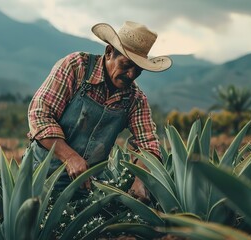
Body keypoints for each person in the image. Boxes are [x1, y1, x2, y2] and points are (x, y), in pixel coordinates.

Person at [25, 21, 172, 203]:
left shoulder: (135, 99)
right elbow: (39, 115)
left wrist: (140, 181)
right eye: (126, 65)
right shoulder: (76, 67)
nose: (131, 75)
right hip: (39, 179)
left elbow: (148, 144)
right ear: (109, 52)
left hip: (87, 189)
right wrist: (70, 157)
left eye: (138, 70)